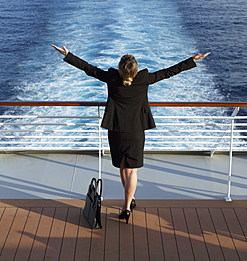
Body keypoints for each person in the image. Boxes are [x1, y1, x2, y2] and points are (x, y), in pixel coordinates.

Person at [52, 44, 210, 224]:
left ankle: (129, 198)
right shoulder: (144, 79)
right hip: (136, 131)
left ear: (120, 69)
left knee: (122, 167)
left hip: (116, 130)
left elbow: (89, 69)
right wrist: (192, 60)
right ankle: (127, 206)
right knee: (132, 170)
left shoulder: (112, 78)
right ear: (135, 69)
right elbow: (168, 72)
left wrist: (68, 54)